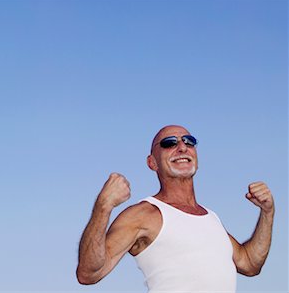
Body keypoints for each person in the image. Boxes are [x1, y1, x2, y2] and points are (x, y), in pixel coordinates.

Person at [76, 125, 274, 292]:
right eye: (169, 143)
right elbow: (89, 273)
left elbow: (250, 263)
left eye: (189, 141)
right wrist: (103, 206)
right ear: (152, 162)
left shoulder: (210, 217)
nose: (182, 147)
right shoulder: (143, 215)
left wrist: (267, 212)